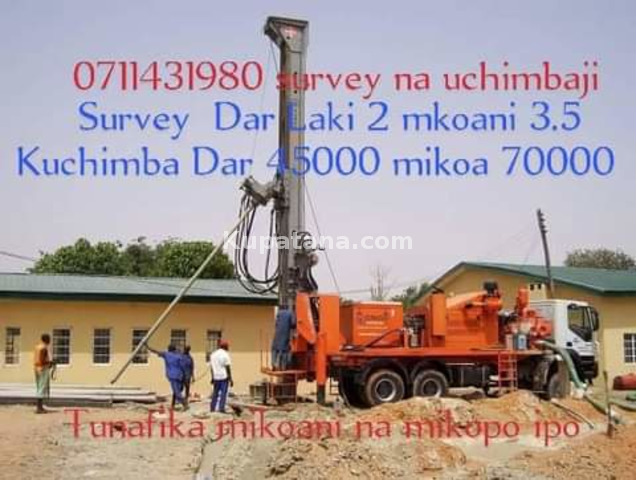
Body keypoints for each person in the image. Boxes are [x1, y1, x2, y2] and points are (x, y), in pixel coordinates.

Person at [148, 344, 187, 410]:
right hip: (180, 375)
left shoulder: (167, 354)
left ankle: (184, 403)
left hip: (173, 376)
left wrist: (148, 347)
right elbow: (183, 366)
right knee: (176, 391)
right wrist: (184, 376)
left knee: (176, 392)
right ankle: (174, 405)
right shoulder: (179, 356)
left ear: (168, 349)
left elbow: (156, 351)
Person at [209, 340, 233, 413]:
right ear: (225, 346)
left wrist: (212, 377)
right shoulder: (225, 354)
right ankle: (221, 408)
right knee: (223, 393)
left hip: (216, 377)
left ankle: (212, 408)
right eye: (227, 346)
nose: (228, 348)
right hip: (223, 377)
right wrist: (230, 378)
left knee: (215, 393)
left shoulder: (213, 354)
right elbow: (227, 367)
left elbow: (211, 368)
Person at [33, 333, 54, 414]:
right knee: (42, 387)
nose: (50, 341)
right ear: (46, 339)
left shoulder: (37, 347)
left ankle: (40, 407)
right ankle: (39, 408)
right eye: (49, 339)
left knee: (39, 387)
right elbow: (42, 360)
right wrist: (50, 363)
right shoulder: (43, 348)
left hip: (36, 368)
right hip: (42, 368)